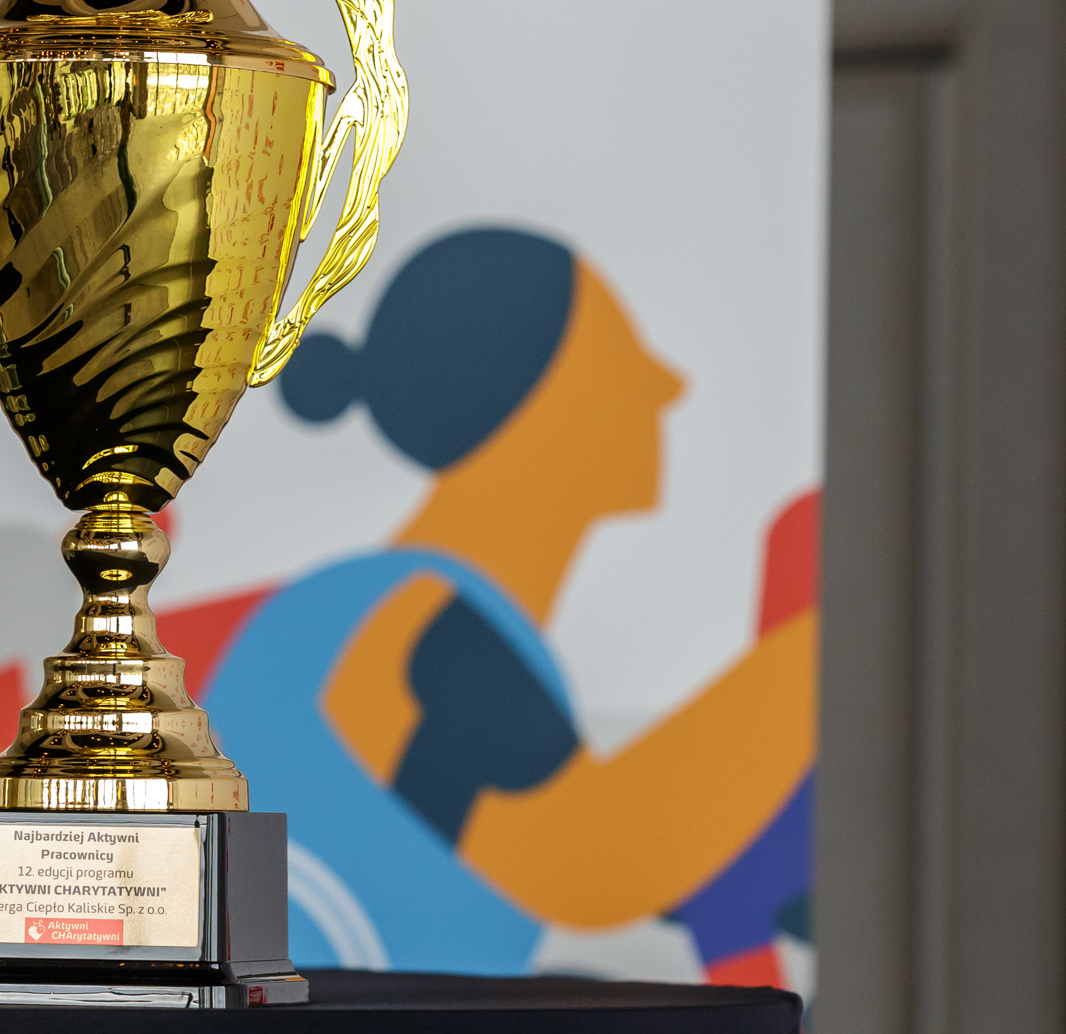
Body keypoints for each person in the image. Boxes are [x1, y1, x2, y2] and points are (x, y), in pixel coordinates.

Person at [207, 228, 817, 980]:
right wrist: (834, 636)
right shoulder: (403, 621)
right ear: (538, 404)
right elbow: (597, 856)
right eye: (624, 354)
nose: (667, 385)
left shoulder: (422, 610)